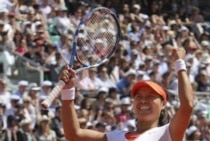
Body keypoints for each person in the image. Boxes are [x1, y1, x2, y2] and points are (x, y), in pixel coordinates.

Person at [59, 47, 194, 141]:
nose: (143, 101)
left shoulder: (168, 133)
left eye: (150, 97)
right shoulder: (115, 137)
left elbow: (187, 106)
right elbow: (73, 134)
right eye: (138, 97)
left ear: (163, 104)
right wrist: (68, 91)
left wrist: (179, 64)